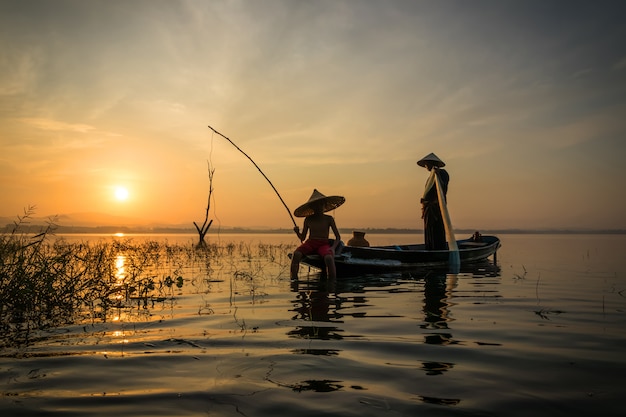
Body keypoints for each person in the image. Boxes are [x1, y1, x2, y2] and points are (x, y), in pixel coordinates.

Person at [290, 189, 344, 280]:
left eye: (321, 204)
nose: (318, 207)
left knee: (329, 259)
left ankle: (332, 283)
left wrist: (333, 248)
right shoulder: (308, 219)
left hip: (323, 244)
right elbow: (302, 238)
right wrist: (297, 232)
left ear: (324, 205)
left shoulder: (329, 219)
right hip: (310, 243)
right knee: (296, 254)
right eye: (316, 205)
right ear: (312, 207)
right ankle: (294, 280)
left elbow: (338, 237)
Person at [418, 153, 450, 250]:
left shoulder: (442, 173)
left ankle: (438, 249)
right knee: (429, 229)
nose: (425, 166)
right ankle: (430, 248)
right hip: (428, 209)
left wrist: (437, 174)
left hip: (436, 207)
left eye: (426, 164)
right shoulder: (430, 178)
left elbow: (443, 187)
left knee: (437, 229)